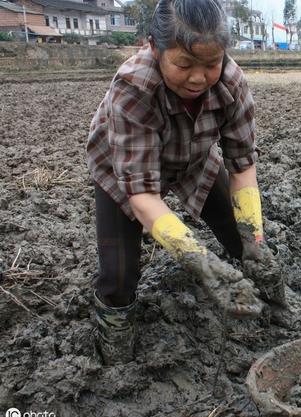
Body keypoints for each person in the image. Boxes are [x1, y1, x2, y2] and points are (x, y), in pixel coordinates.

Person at [86, 0, 281, 365]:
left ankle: (274, 308)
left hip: (193, 159)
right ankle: (115, 351)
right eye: (184, 64)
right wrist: (198, 260)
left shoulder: (231, 83)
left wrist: (255, 239)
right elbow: (143, 193)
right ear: (154, 48)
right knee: (119, 273)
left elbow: (242, 166)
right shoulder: (134, 87)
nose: (198, 78)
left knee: (246, 241)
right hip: (124, 172)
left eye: (211, 64)